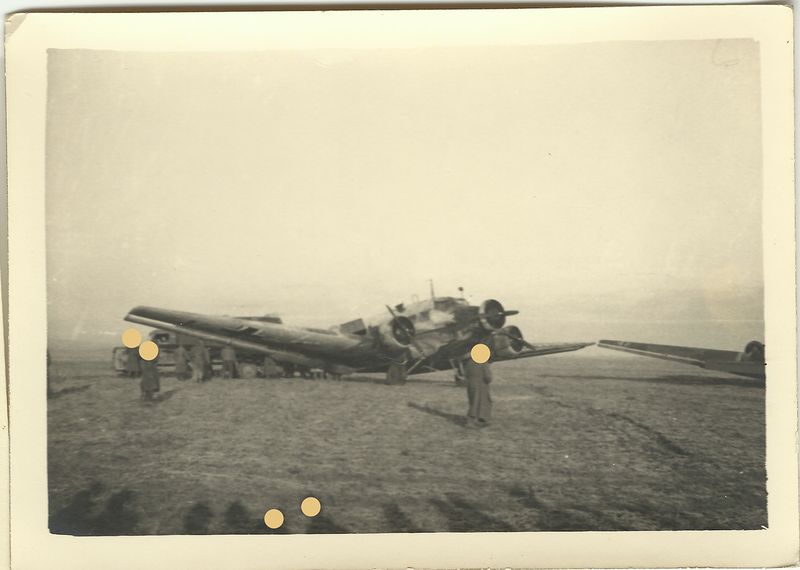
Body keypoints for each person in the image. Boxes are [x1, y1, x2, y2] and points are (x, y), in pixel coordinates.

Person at [464, 356, 493, 427]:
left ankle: (482, 419)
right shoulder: (484, 363)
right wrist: (489, 380)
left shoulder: (469, 362)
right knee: (484, 401)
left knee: (473, 401)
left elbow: (466, 374)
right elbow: (488, 376)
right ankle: (472, 421)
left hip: (471, 384)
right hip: (481, 385)